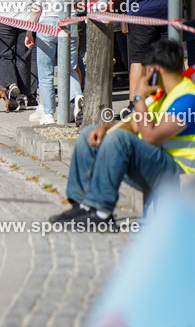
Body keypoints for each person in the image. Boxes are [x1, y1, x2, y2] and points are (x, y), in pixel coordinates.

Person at [49, 39, 195, 230]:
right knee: (88, 134)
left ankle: (101, 213)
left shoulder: (188, 99)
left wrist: (139, 98)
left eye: (148, 69)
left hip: (173, 172)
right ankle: (83, 205)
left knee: (120, 139)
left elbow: (151, 136)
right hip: (154, 163)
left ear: (156, 70)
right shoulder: (162, 93)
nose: (145, 74)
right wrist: (105, 128)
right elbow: (135, 123)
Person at [25, 0, 87, 125]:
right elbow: (82, 5)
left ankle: (49, 114)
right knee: (70, 67)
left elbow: (36, 9)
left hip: (47, 26)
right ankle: (77, 99)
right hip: (70, 23)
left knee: (45, 72)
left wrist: (29, 31)